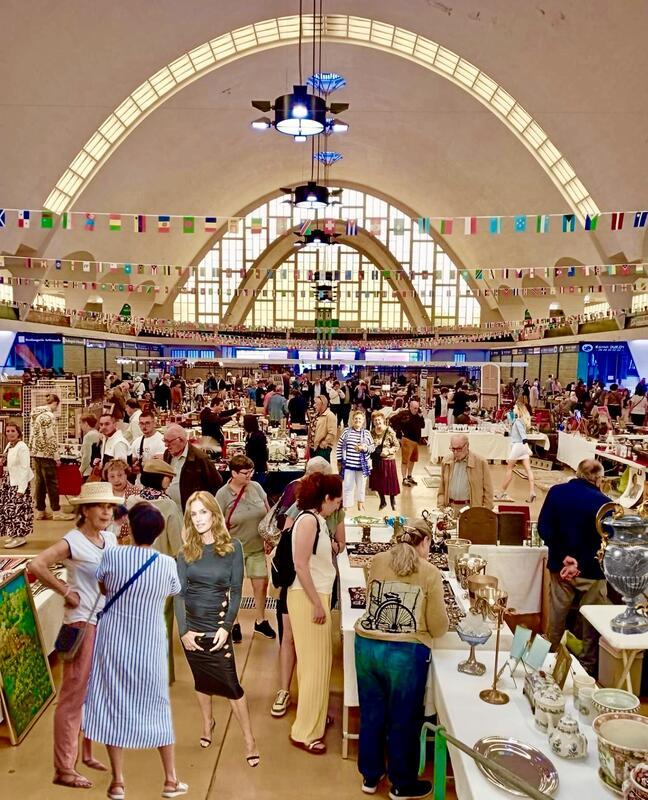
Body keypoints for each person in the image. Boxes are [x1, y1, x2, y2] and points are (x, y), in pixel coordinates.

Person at [83, 503, 187, 800]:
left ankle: (117, 782)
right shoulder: (166, 564)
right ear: (158, 532)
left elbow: (102, 586)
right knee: (157, 705)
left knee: (114, 703)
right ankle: (170, 779)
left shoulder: (112, 555)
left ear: (129, 526)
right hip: (150, 645)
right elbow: (174, 590)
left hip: (113, 641)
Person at [28, 482, 120, 789]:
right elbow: (37, 564)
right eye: (101, 506)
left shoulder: (108, 537)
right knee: (72, 695)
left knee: (93, 690)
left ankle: (83, 753)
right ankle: (64, 768)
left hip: (104, 618)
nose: (107, 511)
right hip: (82, 622)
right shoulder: (73, 542)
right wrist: (65, 590)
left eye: (110, 506)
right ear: (85, 510)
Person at [355, 522, 449, 798]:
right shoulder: (430, 573)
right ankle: (402, 783)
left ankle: (370, 777)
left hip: (366, 647)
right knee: (403, 719)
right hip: (405, 654)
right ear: (424, 543)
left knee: (371, 714)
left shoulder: (377, 561)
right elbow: (438, 626)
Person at [175, 491, 259, 767]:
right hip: (193, 627)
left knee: (232, 687)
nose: (198, 519)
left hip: (217, 626)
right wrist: (183, 632)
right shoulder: (185, 552)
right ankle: (207, 723)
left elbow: (235, 592)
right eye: (193, 514)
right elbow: (180, 595)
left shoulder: (233, 548)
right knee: (201, 681)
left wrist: (226, 626)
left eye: (204, 512)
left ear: (215, 514)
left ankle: (249, 740)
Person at [272, 459, 346, 719]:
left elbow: (340, 542)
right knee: (295, 640)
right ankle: (287, 692)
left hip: (317, 586)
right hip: (299, 587)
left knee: (310, 650)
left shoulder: (330, 512)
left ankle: (311, 702)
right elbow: (297, 559)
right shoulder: (304, 514)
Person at [287, 472, 343, 755]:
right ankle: (305, 731)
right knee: (312, 666)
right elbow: (300, 565)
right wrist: (318, 604)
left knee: (320, 663)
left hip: (317, 594)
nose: (339, 505)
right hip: (308, 597)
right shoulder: (308, 520)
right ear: (326, 499)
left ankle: (316, 716)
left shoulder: (317, 520)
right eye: (337, 500)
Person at [538, 459, 610, 676]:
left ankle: (548, 661)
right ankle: (587, 668)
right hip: (591, 572)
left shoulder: (556, 492)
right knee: (591, 620)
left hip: (560, 568)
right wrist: (580, 562)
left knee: (556, 618)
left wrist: (564, 558)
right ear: (598, 478)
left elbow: (544, 528)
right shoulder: (604, 503)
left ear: (578, 473)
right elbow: (606, 542)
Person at [129, 460, 184, 683]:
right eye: (168, 478)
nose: (169, 483)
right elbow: (179, 544)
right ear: (161, 479)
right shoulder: (168, 506)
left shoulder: (133, 501)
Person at [215, 454, 275, 641]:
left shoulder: (256, 487)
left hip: (257, 547)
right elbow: (217, 523)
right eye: (245, 473)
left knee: (261, 583)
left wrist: (269, 537)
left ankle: (260, 620)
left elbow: (268, 513)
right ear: (233, 473)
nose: (249, 476)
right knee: (234, 588)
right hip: (233, 549)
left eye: (251, 472)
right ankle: (233, 623)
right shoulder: (223, 494)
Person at [29, 392, 74, 521]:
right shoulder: (49, 416)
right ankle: (56, 511)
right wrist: (56, 456)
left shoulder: (35, 413)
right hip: (47, 454)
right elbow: (51, 437)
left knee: (40, 483)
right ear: (56, 403)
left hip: (36, 452)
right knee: (52, 483)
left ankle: (41, 510)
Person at [162, 424, 223, 511]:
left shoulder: (200, 458)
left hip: (191, 512)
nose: (166, 445)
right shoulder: (167, 454)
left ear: (181, 440)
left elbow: (216, 483)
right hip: (172, 510)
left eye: (169, 441)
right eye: (164, 441)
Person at [437, 434, 494, 510]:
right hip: (450, 507)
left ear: (467, 446)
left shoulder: (481, 462)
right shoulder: (446, 461)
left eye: (459, 449)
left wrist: (485, 511)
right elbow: (442, 487)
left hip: (471, 509)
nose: (456, 452)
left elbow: (488, 491)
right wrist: (441, 506)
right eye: (453, 449)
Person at [0, 421, 34, 548]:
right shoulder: (9, 445)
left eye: (13, 431)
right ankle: (14, 535)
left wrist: (22, 488)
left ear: (18, 433)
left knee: (19, 510)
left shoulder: (22, 447)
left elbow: (25, 468)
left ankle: (20, 536)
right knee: (9, 510)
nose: (10, 433)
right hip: (9, 481)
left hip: (19, 482)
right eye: (8, 431)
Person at [496, 400, 536, 503]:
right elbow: (517, 434)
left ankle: (501, 493)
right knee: (528, 470)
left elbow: (522, 436)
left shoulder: (518, 421)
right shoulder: (522, 421)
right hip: (521, 446)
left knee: (509, 469)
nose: (513, 409)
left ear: (518, 409)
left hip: (518, 446)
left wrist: (527, 446)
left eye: (514, 408)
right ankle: (532, 491)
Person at [336, 410, 375, 512]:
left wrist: (365, 448)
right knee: (347, 485)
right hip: (348, 464)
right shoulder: (346, 431)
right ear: (352, 420)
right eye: (356, 419)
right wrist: (339, 460)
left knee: (361, 486)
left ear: (363, 421)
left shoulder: (366, 433)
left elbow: (372, 447)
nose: (358, 420)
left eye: (360, 419)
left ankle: (360, 503)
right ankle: (346, 505)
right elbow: (339, 446)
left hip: (362, 466)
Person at [368, 411, 400, 511]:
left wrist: (388, 451)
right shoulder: (371, 432)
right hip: (377, 460)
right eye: (375, 420)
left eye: (379, 420)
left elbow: (397, 445)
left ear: (383, 420)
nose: (377, 422)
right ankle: (382, 501)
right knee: (378, 482)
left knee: (390, 481)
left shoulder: (389, 431)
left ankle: (392, 500)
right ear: (373, 422)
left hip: (388, 460)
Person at [103, 459, 141, 544]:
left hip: (127, 540)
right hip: (106, 538)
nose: (116, 480)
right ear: (107, 478)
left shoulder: (135, 493)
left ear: (126, 474)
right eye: (112, 476)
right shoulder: (104, 493)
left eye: (120, 475)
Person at [391, 397, 425, 486]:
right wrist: (398, 431)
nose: (416, 410)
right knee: (405, 460)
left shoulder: (418, 415)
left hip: (415, 441)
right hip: (407, 440)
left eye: (417, 408)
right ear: (410, 407)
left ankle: (409, 476)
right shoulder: (404, 414)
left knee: (413, 459)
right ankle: (404, 478)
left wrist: (421, 417)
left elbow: (423, 426)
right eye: (415, 408)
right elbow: (392, 420)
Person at [129, 409, 165, 481]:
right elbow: (132, 461)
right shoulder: (136, 442)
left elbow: (159, 465)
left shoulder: (162, 440)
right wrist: (132, 467)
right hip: (139, 483)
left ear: (154, 423)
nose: (144, 426)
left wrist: (142, 467)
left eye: (147, 423)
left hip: (156, 482)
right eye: (141, 423)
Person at [244, 413, 269, 485]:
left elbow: (262, 453)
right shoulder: (250, 435)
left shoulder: (258, 437)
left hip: (258, 468)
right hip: (253, 467)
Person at [310, 395, 337, 462]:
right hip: (314, 447)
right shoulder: (317, 414)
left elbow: (332, 433)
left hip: (322, 449)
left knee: (323, 470)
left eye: (316, 403)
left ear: (323, 405)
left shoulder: (330, 415)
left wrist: (323, 443)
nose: (314, 405)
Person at [79, 414, 101, 481]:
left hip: (88, 471)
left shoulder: (88, 436)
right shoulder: (98, 434)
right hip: (96, 470)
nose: (80, 426)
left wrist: (81, 470)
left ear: (86, 423)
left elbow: (86, 456)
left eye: (80, 423)